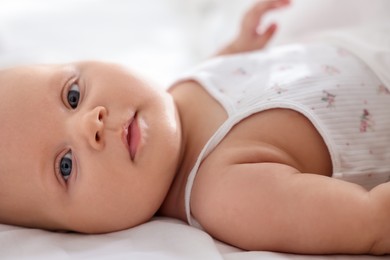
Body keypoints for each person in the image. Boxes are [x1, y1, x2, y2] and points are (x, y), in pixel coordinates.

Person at [0, 0, 389, 255]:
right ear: (77, 233)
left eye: (72, 95)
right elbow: (371, 220)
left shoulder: (173, 93)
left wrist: (239, 49)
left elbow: (226, 81)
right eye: (65, 166)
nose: (91, 123)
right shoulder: (227, 195)